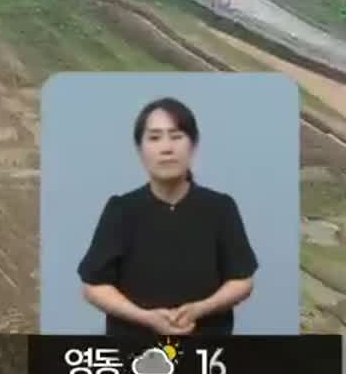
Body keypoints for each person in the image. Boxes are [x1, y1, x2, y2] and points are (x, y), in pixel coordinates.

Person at [77, 97, 257, 340]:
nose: (166, 148)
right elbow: (94, 286)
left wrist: (201, 309)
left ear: (193, 146)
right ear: (140, 150)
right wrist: (146, 317)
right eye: (154, 137)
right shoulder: (121, 209)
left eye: (176, 136)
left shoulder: (220, 207)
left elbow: (242, 280)